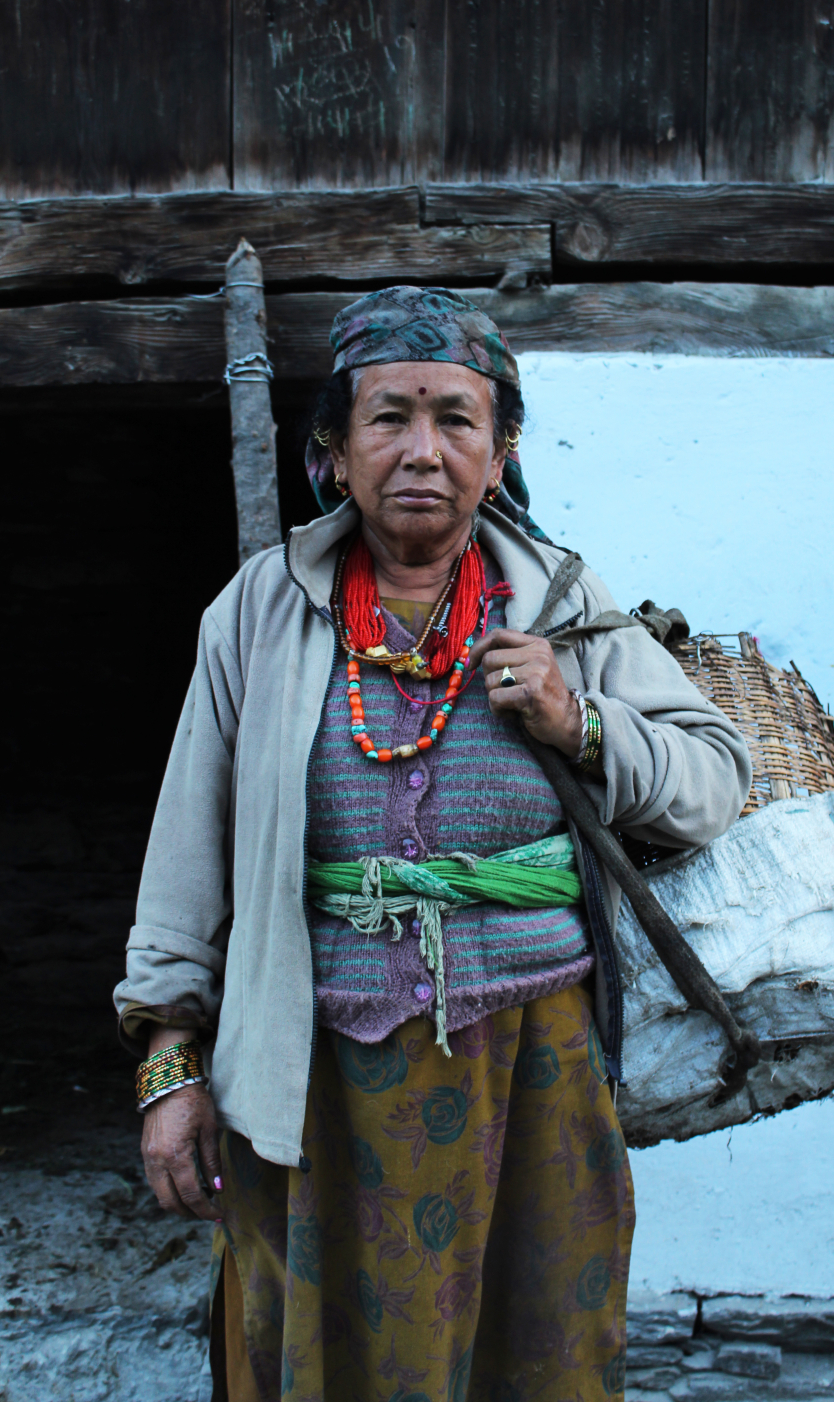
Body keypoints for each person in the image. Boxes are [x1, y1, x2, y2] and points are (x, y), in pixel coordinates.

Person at [115, 286, 752, 1402]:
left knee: (537, 1346)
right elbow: (187, 855)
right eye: (388, 417)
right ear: (335, 450)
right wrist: (169, 1069)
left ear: (499, 454)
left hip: (536, 1065)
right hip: (312, 1070)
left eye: (457, 419)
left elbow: (713, 781)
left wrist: (580, 720)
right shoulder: (258, 612)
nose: (423, 449)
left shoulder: (560, 599)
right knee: (327, 1356)